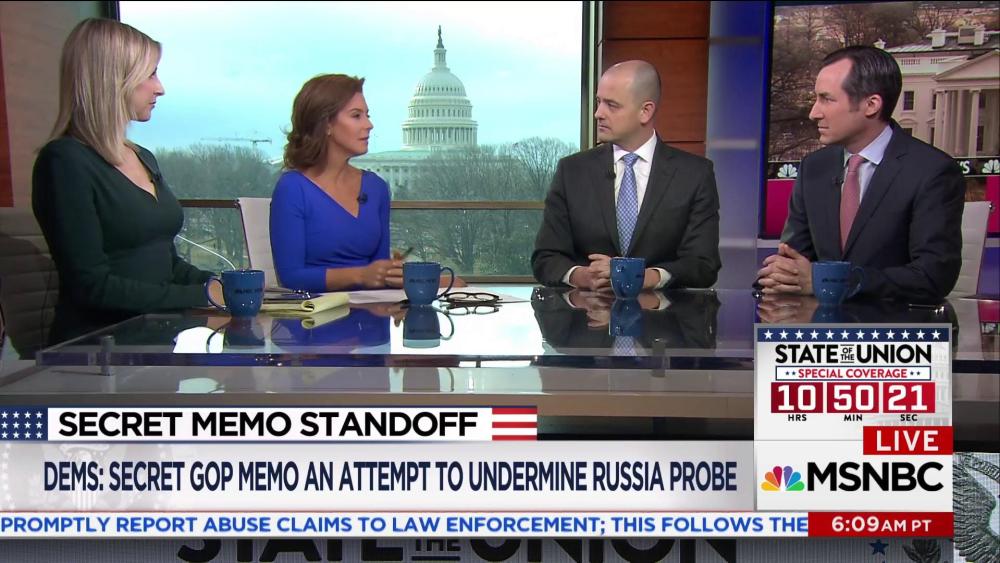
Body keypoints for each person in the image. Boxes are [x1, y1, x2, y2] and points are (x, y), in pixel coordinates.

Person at [32, 18, 218, 344]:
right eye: (150, 74)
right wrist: (201, 296)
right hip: (100, 349)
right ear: (112, 79)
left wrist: (218, 283)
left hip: (158, 338)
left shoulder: (144, 156)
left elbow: (165, 263)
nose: (160, 88)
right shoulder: (64, 161)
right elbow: (93, 286)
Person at [757, 46, 965, 304]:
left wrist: (830, 281)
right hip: (819, 325)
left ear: (871, 105)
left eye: (826, 99)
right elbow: (793, 261)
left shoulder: (931, 171)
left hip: (894, 324)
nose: (814, 113)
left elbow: (933, 277)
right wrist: (778, 276)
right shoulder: (814, 167)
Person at [531, 60, 721, 291]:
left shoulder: (694, 175)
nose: (598, 113)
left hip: (662, 312)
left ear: (645, 111)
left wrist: (641, 276)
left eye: (612, 105)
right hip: (588, 311)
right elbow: (546, 258)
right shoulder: (571, 171)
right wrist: (583, 276)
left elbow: (703, 264)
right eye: (599, 102)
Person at [269, 74, 403, 293]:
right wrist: (361, 275)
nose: (369, 125)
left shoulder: (376, 188)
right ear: (326, 124)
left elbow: (379, 272)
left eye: (367, 115)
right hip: (315, 312)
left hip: (373, 309)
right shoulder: (292, 189)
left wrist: (394, 275)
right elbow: (291, 277)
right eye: (356, 116)